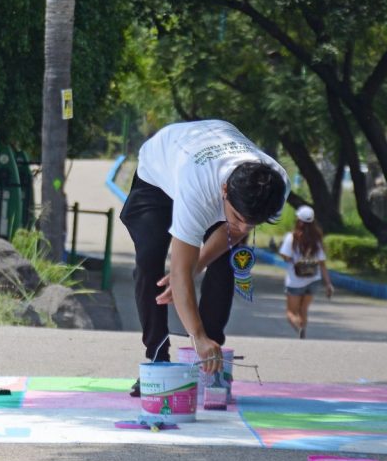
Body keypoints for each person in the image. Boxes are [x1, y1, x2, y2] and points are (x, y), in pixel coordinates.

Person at [120, 120, 289, 394]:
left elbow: (230, 235)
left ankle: (211, 356)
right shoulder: (197, 187)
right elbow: (179, 270)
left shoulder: (275, 184)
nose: (243, 228)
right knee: (150, 261)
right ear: (224, 191)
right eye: (237, 217)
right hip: (159, 172)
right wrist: (195, 333)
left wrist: (196, 266)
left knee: (224, 261)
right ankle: (158, 359)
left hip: (213, 154)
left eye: (253, 224)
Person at [279, 205, 333, 339]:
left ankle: (299, 326)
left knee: (291, 313)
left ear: (299, 220)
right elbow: (322, 263)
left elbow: (285, 256)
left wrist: (292, 258)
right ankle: (303, 331)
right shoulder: (317, 238)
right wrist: (328, 284)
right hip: (313, 279)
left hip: (295, 281)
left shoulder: (292, 237)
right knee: (303, 309)